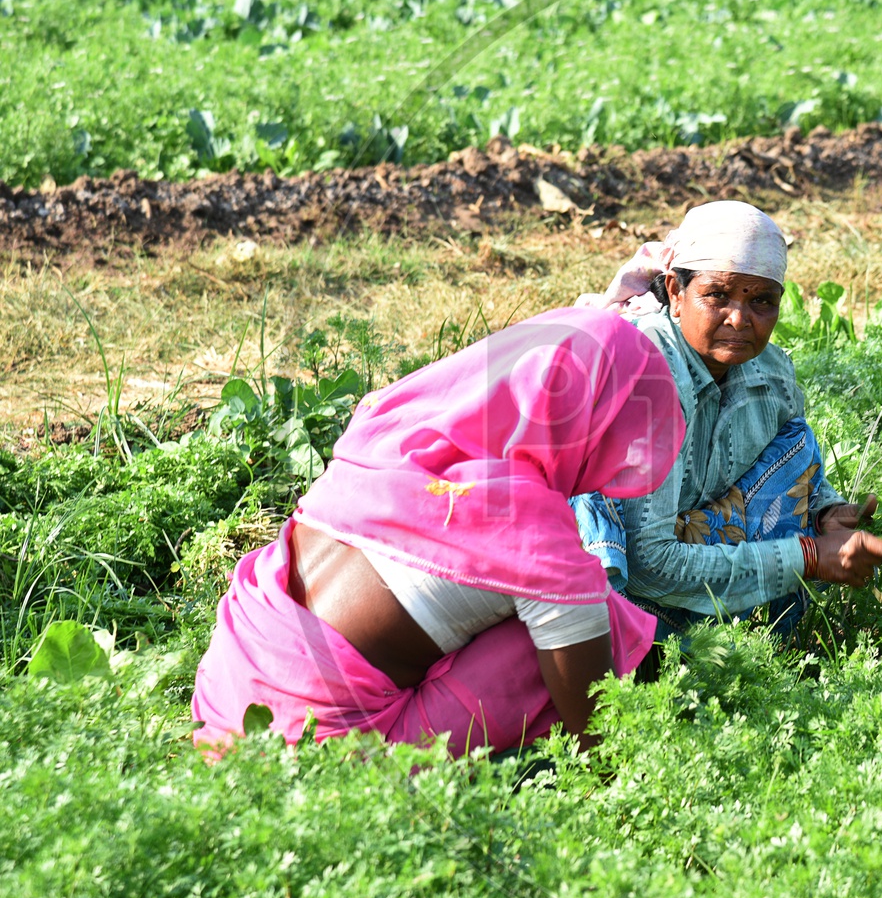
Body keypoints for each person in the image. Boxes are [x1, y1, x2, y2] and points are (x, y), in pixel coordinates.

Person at [190, 308, 685, 756]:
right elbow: (595, 725)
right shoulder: (534, 537)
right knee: (592, 625)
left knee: (565, 611)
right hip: (321, 761)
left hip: (232, 713)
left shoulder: (390, 435)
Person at [573, 200, 882, 641]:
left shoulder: (770, 374)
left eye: (761, 301)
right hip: (618, 585)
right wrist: (809, 557)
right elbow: (647, 565)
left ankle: (737, 642)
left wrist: (824, 513)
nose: (739, 318)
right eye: (717, 295)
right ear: (676, 292)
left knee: (794, 439)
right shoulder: (643, 376)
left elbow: (789, 463)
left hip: (687, 542)